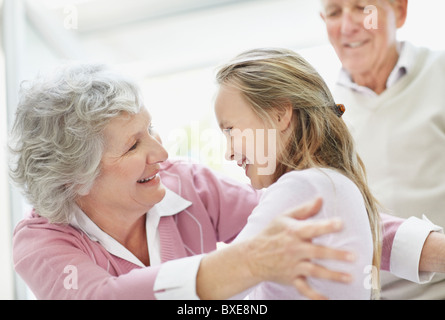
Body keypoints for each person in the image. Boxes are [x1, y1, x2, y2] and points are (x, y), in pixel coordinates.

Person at [9, 62, 441, 300]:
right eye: (133, 145)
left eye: (151, 130)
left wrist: (437, 250)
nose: (160, 154)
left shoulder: (189, 186)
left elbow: (309, 222)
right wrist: (247, 263)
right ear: (74, 180)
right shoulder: (40, 242)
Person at [215, 47, 382, 299]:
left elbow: (216, 290)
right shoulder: (332, 183)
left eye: (230, 130)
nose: (228, 153)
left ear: (280, 114)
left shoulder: (304, 187)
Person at [320, 0, 445, 299]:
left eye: (363, 8)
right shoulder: (320, 114)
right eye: (334, 12)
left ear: (400, 11)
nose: (347, 26)